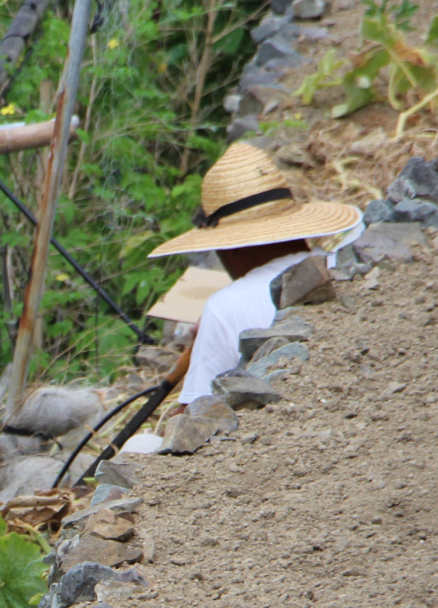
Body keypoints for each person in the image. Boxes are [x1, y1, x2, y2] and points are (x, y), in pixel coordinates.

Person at [147, 142, 362, 412]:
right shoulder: (344, 267)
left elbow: (194, 417)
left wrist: (207, 340)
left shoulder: (224, 307)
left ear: (229, 248)